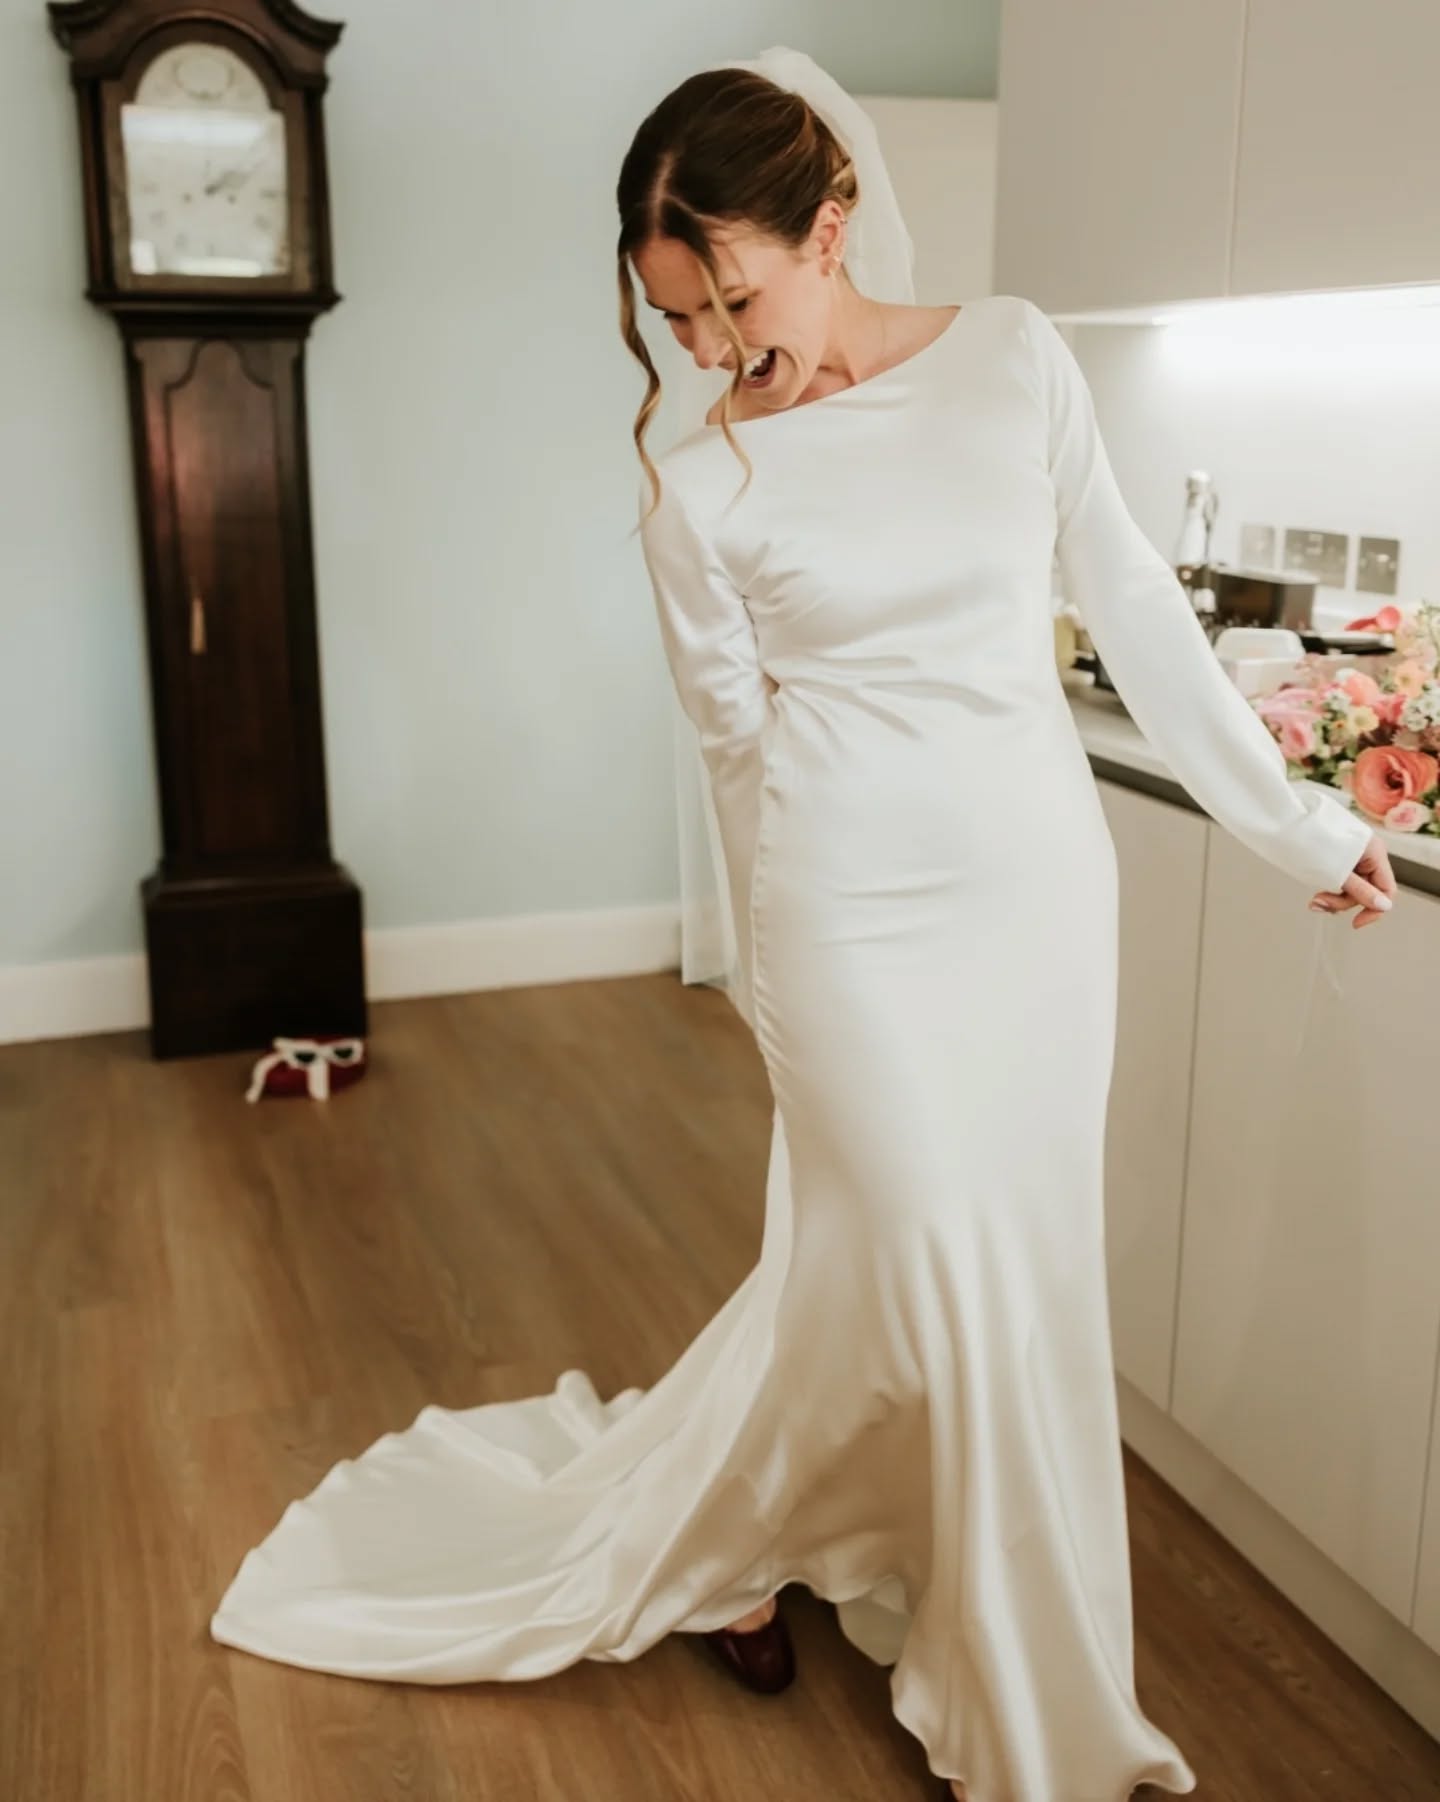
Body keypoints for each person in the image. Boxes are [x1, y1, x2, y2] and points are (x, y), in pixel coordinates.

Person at [208, 47, 1397, 1802]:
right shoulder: (698, 491)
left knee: (1007, 1281)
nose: (705, 352)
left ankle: (814, 1554)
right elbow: (736, 753)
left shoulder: (1013, 355)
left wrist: (1290, 816)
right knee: (916, 1253)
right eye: (675, 319)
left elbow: (1135, 606)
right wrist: (781, 990)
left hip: (1034, 901)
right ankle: (1023, 1706)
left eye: (729, 299)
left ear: (830, 223)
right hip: (848, 917)